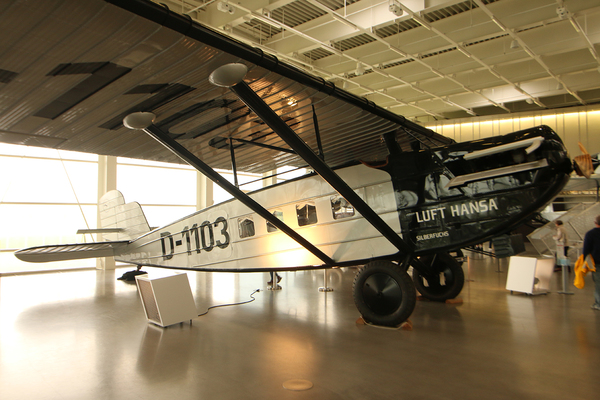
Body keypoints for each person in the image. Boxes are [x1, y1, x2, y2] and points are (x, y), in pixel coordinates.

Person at [582, 215, 600, 310]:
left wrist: (582, 261)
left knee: (598, 284)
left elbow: (586, 249)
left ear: (595, 223)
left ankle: (598, 304)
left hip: (597, 262)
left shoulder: (590, 234)